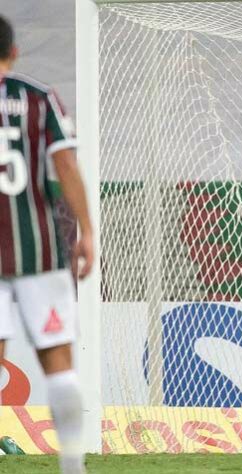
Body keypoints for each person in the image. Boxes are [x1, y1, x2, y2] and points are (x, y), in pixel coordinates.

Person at [0, 15, 92, 474]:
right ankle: (72, 467)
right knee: (59, 363)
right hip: (38, 251)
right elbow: (67, 168)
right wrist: (87, 232)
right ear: (14, 53)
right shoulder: (39, 98)